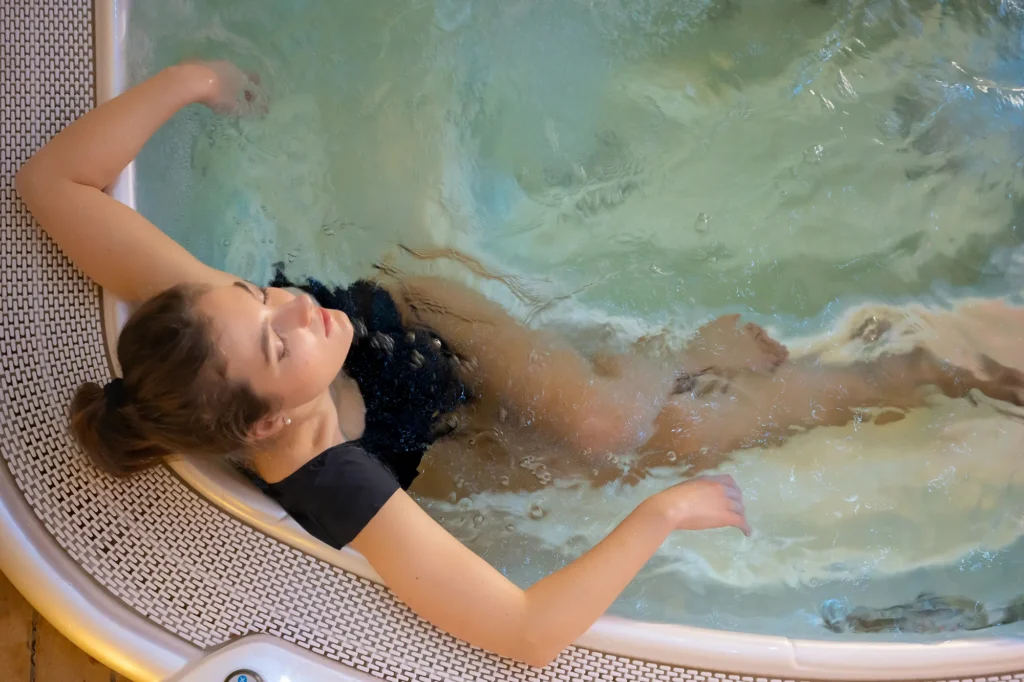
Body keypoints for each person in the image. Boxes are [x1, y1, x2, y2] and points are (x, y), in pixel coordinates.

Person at [16, 60, 1019, 667]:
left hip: (416, 330)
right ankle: (934, 371)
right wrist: (659, 515)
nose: (291, 307)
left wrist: (190, 81)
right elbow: (528, 632)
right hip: (418, 436)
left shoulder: (207, 334)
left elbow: (53, 182)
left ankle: (675, 353)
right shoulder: (344, 487)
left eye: (258, 291)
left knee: (600, 422)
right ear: (269, 424)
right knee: (662, 446)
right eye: (276, 338)